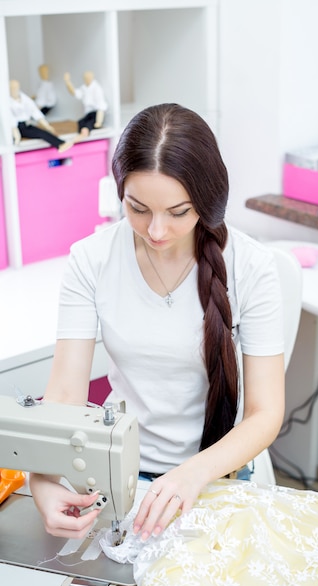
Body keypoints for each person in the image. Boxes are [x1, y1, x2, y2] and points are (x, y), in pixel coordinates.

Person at [29, 103, 285, 543]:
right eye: (138, 208)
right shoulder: (91, 260)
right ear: (120, 193)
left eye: (178, 212)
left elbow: (266, 413)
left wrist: (192, 475)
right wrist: (43, 482)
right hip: (114, 472)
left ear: (207, 200)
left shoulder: (252, 267)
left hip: (213, 475)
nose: (157, 231)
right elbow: (65, 395)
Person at [10, 79, 72, 152]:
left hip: (26, 124)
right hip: (16, 128)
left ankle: (60, 143)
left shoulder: (24, 98)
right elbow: (10, 119)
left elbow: (34, 111)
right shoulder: (6, 100)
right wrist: (16, 136)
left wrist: (47, 126)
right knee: (39, 133)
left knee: (42, 132)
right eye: (12, 87)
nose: (15, 89)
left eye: (16, 87)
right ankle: (60, 144)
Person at [63, 70, 108, 139]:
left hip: (97, 113)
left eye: (88, 77)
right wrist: (68, 82)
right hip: (88, 113)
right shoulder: (84, 88)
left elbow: (101, 105)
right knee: (80, 122)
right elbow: (75, 93)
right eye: (85, 77)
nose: (87, 79)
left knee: (90, 123)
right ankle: (82, 132)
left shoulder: (97, 88)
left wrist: (99, 121)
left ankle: (85, 131)